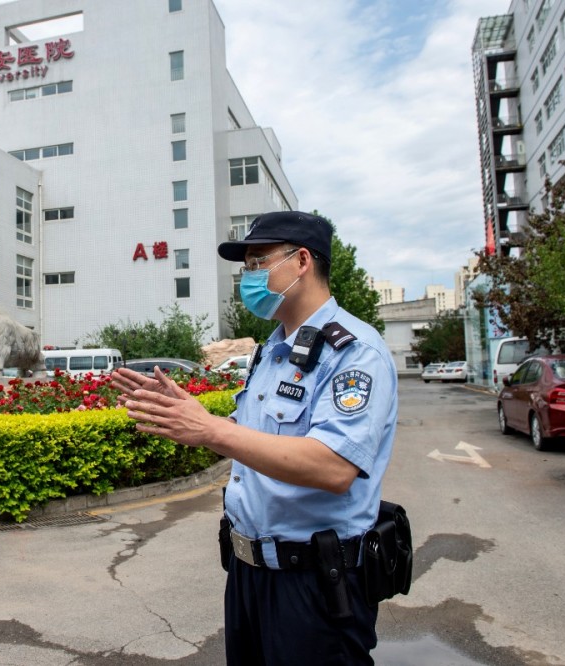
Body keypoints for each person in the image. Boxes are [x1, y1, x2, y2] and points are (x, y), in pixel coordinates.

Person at [111, 211, 397, 665]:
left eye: (257, 262)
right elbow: (254, 441)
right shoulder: (272, 351)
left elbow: (334, 467)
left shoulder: (355, 352)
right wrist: (202, 421)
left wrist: (211, 429)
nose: (248, 277)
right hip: (249, 574)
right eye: (246, 266)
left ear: (302, 261)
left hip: (316, 585)